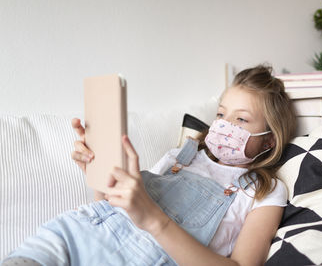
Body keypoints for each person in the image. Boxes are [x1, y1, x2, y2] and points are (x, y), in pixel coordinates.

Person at [1, 64, 297, 266]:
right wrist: (98, 173)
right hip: (75, 233)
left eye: (241, 119)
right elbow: (112, 210)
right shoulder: (180, 156)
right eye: (221, 114)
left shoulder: (265, 192)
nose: (224, 125)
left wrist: (156, 221)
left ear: (269, 140)